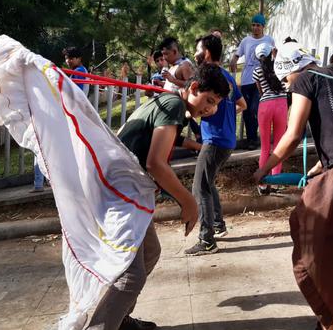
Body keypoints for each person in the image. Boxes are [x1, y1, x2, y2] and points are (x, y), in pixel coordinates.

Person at [86, 63, 229, 330]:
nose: (211, 109)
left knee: (150, 252)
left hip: (125, 192)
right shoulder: (173, 105)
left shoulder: (169, 104)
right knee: (131, 276)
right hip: (119, 194)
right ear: (194, 87)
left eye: (216, 104)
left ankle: (121, 319)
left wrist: (197, 146)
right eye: (209, 100)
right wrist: (189, 202)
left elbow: (165, 141)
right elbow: (155, 163)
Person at [253, 42, 333, 330]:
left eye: (286, 80)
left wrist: (264, 168)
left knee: (319, 252)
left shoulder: (305, 80)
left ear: (291, 70)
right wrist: (319, 167)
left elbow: (293, 134)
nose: (288, 86)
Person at [185, 35, 246, 256]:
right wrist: (225, 113)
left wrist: (211, 111)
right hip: (227, 140)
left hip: (214, 140)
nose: (194, 54)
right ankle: (218, 224)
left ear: (207, 52)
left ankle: (207, 239)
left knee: (199, 186)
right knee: (207, 183)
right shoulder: (228, 77)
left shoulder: (206, 79)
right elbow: (243, 105)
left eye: (197, 50)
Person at [229, 13, 275, 149]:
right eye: (253, 25)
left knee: (256, 108)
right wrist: (233, 60)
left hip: (262, 80)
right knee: (247, 110)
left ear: (263, 27)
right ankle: (252, 140)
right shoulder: (246, 41)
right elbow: (237, 54)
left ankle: (263, 137)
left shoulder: (269, 40)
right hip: (247, 80)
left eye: (258, 25)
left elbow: (273, 57)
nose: (255, 28)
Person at [252, 42, 288, 196]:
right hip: (281, 103)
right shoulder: (279, 66)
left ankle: (262, 183)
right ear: (271, 53)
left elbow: (260, 91)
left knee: (265, 147)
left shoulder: (256, 71)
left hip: (265, 105)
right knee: (279, 145)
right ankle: (276, 181)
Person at [160, 36, 202, 142]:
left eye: (166, 54)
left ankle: (200, 146)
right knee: (170, 139)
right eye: (163, 54)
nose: (164, 58)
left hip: (178, 111)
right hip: (171, 110)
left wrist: (172, 80)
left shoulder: (184, 65)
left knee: (171, 139)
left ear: (174, 51)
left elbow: (193, 85)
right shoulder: (174, 65)